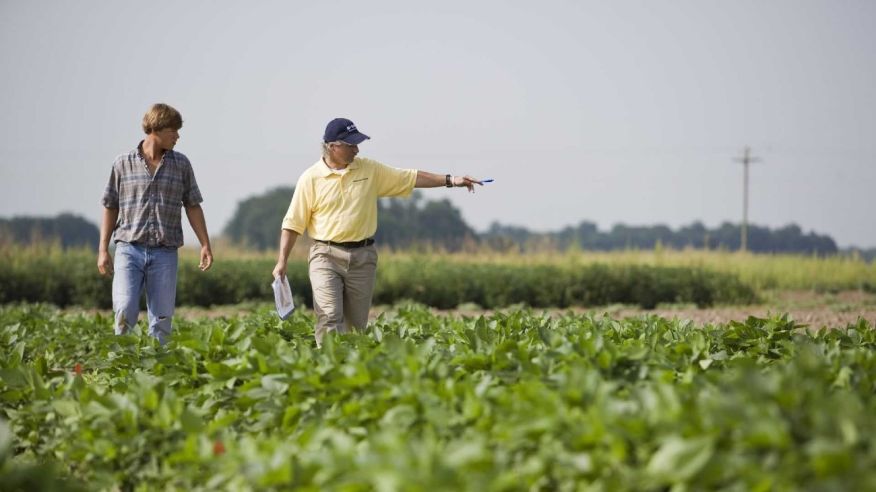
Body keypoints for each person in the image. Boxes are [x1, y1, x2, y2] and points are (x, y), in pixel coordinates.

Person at [272, 118, 482, 345]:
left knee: (356, 326)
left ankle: (351, 370)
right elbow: (293, 223)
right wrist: (282, 261)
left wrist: (451, 180)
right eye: (351, 145)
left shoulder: (369, 169)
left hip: (363, 257)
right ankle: (327, 368)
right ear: (332, 146)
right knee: (329, 314)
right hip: (325, 255)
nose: (357, 149)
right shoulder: (310, 178)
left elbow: (410, 177)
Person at [97, 103, 213, 345]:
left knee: (161, 319)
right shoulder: (122, 163)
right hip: (128, 249)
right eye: (174, 130)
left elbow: (192, 205)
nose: (177, 136)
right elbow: (110, 205)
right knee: (124, 308)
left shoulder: (181, 164)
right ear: (157, 129)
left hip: (165, 251)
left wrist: (205, 244)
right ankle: (123, 365)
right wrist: (102, 250)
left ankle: (159, 370)